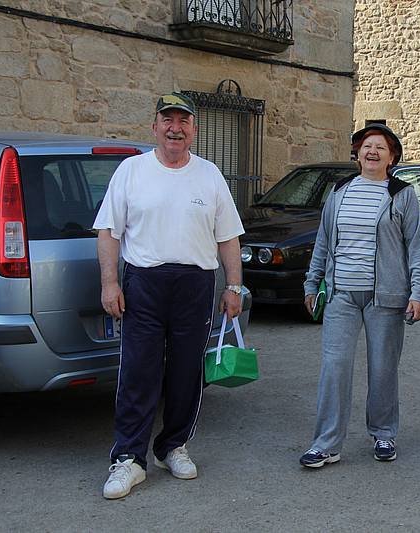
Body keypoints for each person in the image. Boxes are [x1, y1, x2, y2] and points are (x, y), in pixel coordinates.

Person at [94, 92, 245, 499]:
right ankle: (129, 459)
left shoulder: (209, 175)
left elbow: (228, 237)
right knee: (138, 371)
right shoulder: (131, 171)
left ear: (194, 129)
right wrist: (110, 283)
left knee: (186, 372)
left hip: (195, 286)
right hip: (144, 283)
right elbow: (108, 231)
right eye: (168, 120)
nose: (175, 128)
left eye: (183, 121)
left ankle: (172, 446)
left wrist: (233, 286)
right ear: (155, 126)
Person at [300, 124, 420, 468]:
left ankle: (384, 433)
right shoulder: (340, 191)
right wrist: (312, 283)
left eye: (381, 147)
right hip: (341, 295)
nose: (372, 152)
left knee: (383, 368)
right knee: (334, 368)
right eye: (366, 146)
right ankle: (326, 443)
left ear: (392, 157)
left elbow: (417, 248)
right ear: (357, 153)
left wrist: (419, 292)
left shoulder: (402, 194)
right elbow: (324, 241)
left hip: (385, 297)